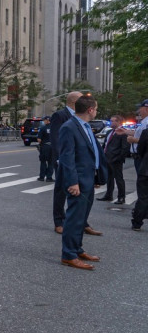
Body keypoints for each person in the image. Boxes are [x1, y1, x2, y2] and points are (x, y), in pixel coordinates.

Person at [58, 94, 106, 270]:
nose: (96, 112)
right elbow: (66, 158)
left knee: (81, 218)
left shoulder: (84, 126)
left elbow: (90, 153)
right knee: (74, 219)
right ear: (90, 110)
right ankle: (68, 255)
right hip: (77, 181)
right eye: (96, 109)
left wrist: (95, 176)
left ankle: (77, 249)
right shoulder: (69, 127)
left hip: (87, 179)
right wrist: (73, 182)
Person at [49, 91, 100, 236]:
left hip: (81, 164)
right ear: (74, 102)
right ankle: (59, 222)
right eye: (82, 99)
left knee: (85, 196)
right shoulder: (60, 116)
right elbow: (56, 140)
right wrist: (61, 161)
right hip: (64, 162)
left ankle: (83, 223)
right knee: (60, 192)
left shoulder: (85, 120)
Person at [98, 115, 128, 204]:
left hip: (116, 160)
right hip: (107, 159)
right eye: (111, 121)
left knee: (119, 179)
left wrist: (119, 158)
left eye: (113, 121)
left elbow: (125, 147)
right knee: (109, 178)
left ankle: (121, 197)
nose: (111, 122)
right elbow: (106, 144)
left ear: (119, 122)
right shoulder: (110, 132)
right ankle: (108, 195)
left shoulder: (123, 132)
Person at [122, 99, 148, 173]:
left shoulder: (147, 122)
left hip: (142, 157)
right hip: (139, 157)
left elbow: (146, 140)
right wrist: (125, 132)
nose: (139, 111)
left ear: (146, 109)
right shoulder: (144, 122)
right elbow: (141, 134)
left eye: (140, 108)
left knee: (143, 181)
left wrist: (133, 140)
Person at [131, 120, 148, 231]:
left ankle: (137, 222)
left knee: (143, 197)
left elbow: (140, 149)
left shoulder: (146, 132)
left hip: (145, 169)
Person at [36, 116, 53, 182]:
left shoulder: (43, 128)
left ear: (47, 120)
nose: (43, 121)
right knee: (51, 162)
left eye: (44, 120)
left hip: (45, 146)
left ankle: (42, 177)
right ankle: (49, 177)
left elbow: (39, 139)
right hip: (52, 147)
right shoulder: (55, 128)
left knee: (43, 162)